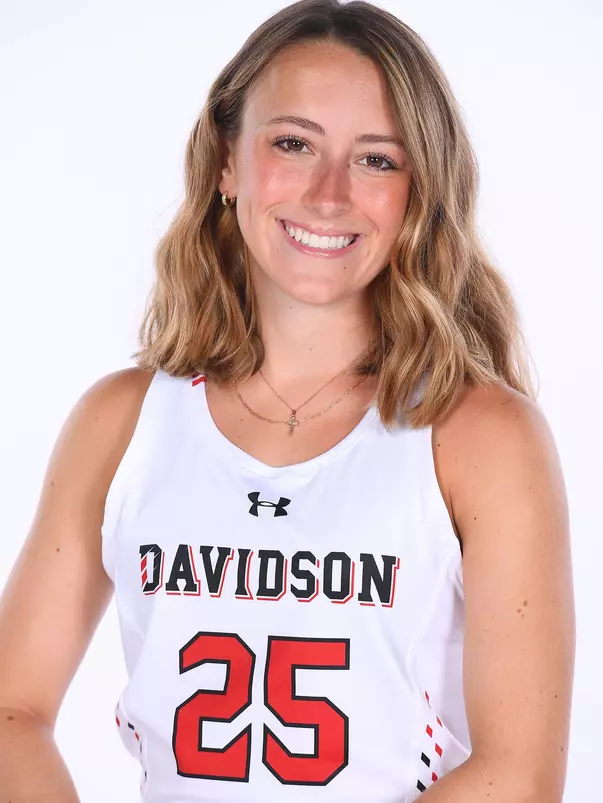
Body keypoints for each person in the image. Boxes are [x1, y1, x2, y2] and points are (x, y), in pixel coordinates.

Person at [0, 1, 575, 801]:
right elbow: (13, 708)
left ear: (419, 191)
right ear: (226, 162)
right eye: (293, 143)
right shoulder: (121, 422)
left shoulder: (479, 434)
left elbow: (519, 775)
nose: (329, 193)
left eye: (377, 159)